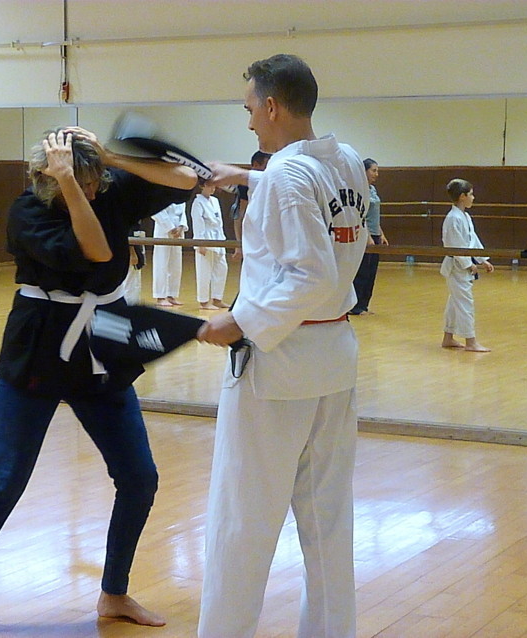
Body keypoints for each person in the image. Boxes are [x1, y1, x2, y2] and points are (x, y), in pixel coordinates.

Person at [0, 127, 196, 638]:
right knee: (3, 482)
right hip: (37, 348)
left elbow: (186, 178)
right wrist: (70, 180)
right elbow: (96, 251)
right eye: (80, 182)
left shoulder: (108, 189)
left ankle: (114, 593)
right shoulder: (27, 212)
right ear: (48, 178)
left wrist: (111, 159)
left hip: (101, 344)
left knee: (139, 477)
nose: (92, 190)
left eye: (94, 181)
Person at [196, 53, 368, 638]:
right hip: (333, 358)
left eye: (249, 108)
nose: (248, 121)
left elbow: (309, 273)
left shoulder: (288, 174)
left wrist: (240, 320)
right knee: (327, 522)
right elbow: (307, 194)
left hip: (278, 365)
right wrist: (243, 176)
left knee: (241, 522)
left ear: (271, 106)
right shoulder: (345, 161)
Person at [440, 178, 494, 352]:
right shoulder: (452, 218)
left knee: (455, 303)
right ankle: (471, 341)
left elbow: (472, 240)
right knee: (465, 303)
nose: (473, 197)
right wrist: (467, 264)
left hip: (461, 264)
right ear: (462, 196)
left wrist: (482, 259)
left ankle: (448, 338)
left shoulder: (464, 216)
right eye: (470, 194)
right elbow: (454, 244)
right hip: (456, 266)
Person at [350, 157, 389, 315]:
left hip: (375, 234)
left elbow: (374, 216)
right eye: (373, 170)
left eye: (377, 171)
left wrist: (381, 234)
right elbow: (360, 216)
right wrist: (367, 237)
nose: (376, 174)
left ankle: (365, 304)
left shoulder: (372, 190)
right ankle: (355, 306)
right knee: (362, 271)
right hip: (364, 236)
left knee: (372, 271)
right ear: (364, 171)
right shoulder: (359, 190)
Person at [191, 181, 228, 310]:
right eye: (210, 186)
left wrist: (222, 239)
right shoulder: (198, 202)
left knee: (222, 268)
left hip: (218, 238)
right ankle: (204, 301)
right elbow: (198, 223)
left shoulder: (215, 201)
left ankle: (217, 299)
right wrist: (200, 242)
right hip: (205, 238)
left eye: (214, 186)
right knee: (204, 271)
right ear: (202, 186)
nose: (213, 189)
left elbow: (219, 222)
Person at [230, 150, 271, 259]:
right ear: (256, 165)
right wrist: (239, 245)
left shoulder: (271, 181)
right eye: (266, 166)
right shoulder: (245, 185)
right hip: (251, 238)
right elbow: (239, 216)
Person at [151, 201, 188, 306]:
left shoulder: (181, 194)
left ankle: (171, 295)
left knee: (176, 265)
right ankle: (160, 296)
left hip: (178, 232)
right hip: (163, 230)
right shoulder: (160, 193)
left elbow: (183, 212)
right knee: (161, 263)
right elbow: (155, 211)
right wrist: (170, 227)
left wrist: (181, 226)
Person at [123, 222, 146, 305]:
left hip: (136, 240)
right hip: (130, 246)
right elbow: (127, 231)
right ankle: (129, 304)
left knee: (134, 281)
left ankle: (133, 302)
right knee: (130, 281)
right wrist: (132, 252)